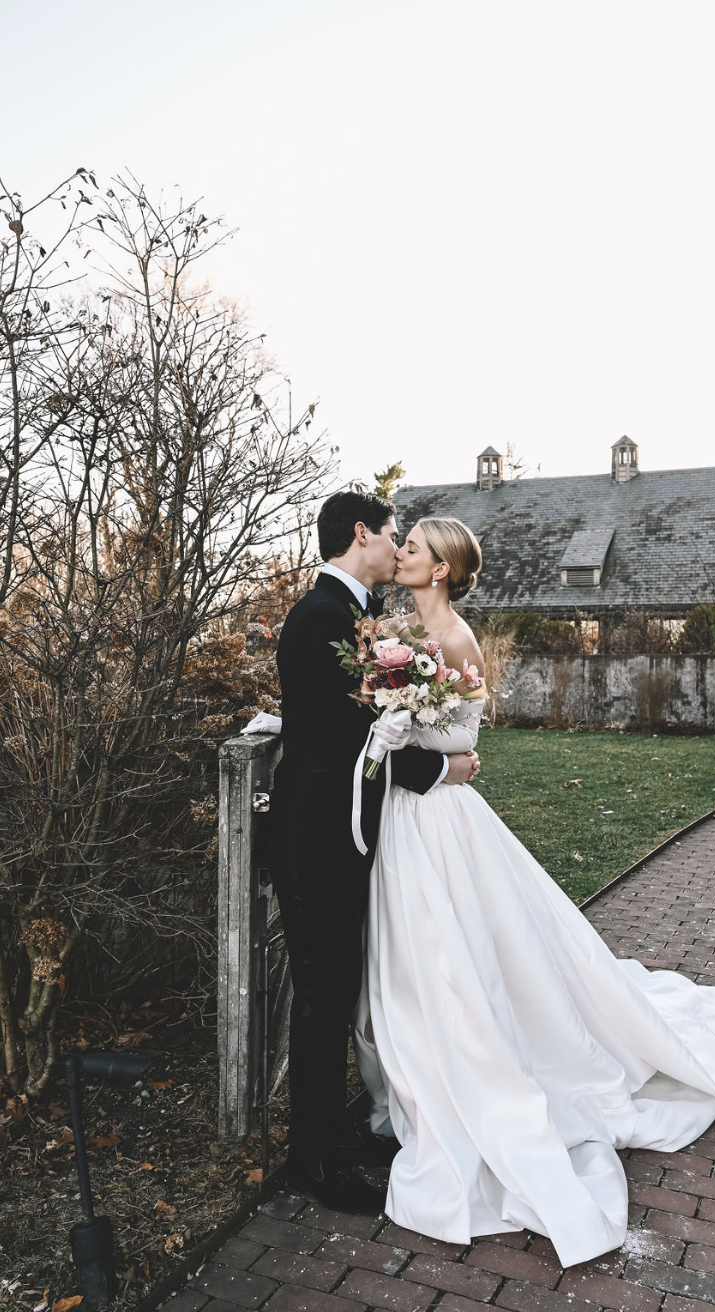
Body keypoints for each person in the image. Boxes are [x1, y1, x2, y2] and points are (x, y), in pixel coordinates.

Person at [353, 515, 715, 1269]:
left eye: (415, 550)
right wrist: (391, 712)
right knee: (419, 944)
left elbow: (468, 735)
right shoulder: (393, 629)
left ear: (441, 570)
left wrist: (416, 731)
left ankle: (474, 1057)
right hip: (409, 818)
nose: (401, 556)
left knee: (457, 946)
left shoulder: (457, 641)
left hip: (442, 818)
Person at [264, 492, 480, 1214]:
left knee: (339, 992)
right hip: (317, 839)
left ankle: (328, 1136)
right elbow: (341, 742)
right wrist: (439, 770)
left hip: (342, 835)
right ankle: (314, 1164)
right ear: (362, 534)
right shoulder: (321, 618)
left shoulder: (348, 616)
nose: (398, 547)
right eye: (394, 535)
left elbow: (357, 728)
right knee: (323, 1001)